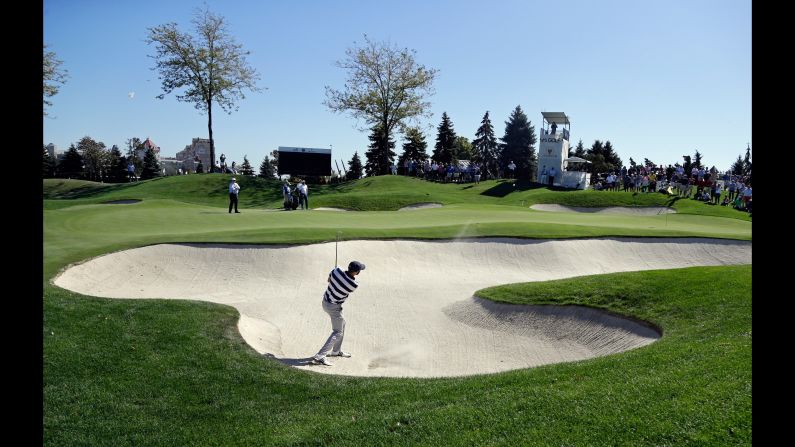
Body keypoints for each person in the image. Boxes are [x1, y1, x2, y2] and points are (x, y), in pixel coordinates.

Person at [310, 261, 366, 366]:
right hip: (333, 308)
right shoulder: (353, 285)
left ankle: (336, 351)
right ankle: (320, 356)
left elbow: (329, 280)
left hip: (325, 301)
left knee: (343, 323)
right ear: (356, 272)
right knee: (337, 332)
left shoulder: (336, 271)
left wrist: (335, 273)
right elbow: (345, 282)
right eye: (359, 270)